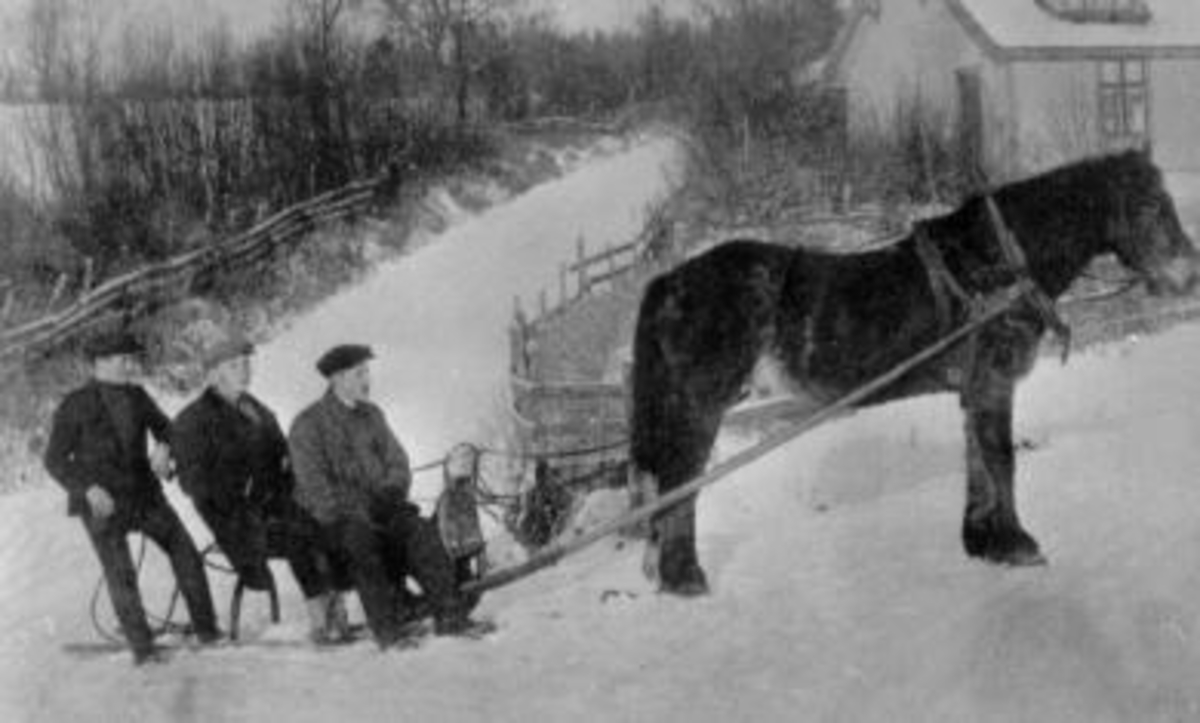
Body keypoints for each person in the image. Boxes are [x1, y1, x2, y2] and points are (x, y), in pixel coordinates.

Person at [288, 344, 490, 649]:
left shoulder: (372, 415)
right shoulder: (308, 425)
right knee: (362, 541)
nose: (367, 380)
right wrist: (361, 509)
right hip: (337, 523)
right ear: (337, 379)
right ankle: (389, 631)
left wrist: (392, 491)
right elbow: (316, 489)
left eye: (367, 372)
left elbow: (398, 461)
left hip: (382, 508)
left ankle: (450, 616)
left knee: (420, 532)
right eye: (359, 374)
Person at [43, 331, 221, 664]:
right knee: (121, 574)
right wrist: (87, 489)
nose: (130, 365)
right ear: (101, 363)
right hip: (102, 504)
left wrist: (164, 448)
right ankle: (143, 650)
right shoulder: (74, 404)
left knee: (186, 553)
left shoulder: (138, 396)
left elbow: (168, 428)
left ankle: (208, 630)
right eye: (123, 359)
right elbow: (54, 460)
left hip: (144, 496)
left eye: (131, 359)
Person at [171, 334, 344, 644]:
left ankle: (336, 606)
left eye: (246, 363)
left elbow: (280, 453)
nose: (245, 370)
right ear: (213, 375)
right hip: (236, 522)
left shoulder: (254, 409)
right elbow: (193, 483)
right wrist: (245, 487)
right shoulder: (193, 420)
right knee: (298, 532)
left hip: (272, 509)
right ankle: (322, 618)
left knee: (326, 519)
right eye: (234, 365)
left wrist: (293, 465)